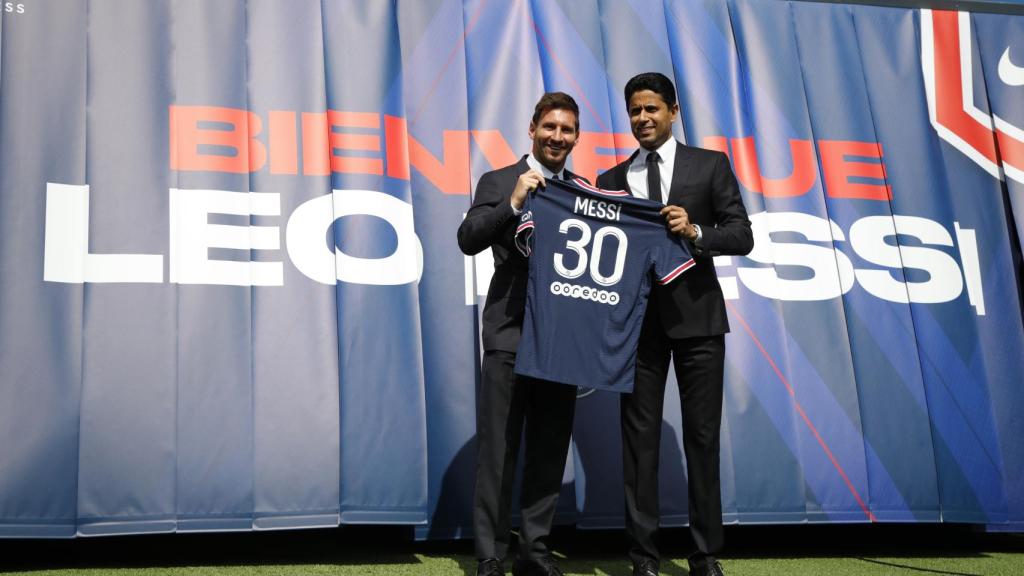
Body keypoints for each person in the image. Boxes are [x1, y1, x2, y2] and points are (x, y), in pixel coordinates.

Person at [596, 73, 753, 576]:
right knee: (638, 443)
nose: (643, 118)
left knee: (702, 439)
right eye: (635, 111)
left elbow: (742, 234)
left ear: (673, 111)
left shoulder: (710, 166)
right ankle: (643, 557)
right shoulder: (609, 180)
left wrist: (697, 231)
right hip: (636, 328)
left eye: (652, 109)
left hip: (699, 322)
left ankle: (705, 555)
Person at [457, 92, 586, 576]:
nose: (557, 136)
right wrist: (513, 202)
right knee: (498, 449)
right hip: (510, 335)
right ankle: (490, 554)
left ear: (576, 136)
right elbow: (468, 239)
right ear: (532, 127)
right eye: (550, 126)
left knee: (550, 447)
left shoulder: (582, 189)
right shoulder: (498, 179)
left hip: (560, 343)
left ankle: (535, 551)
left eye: (567, 129)